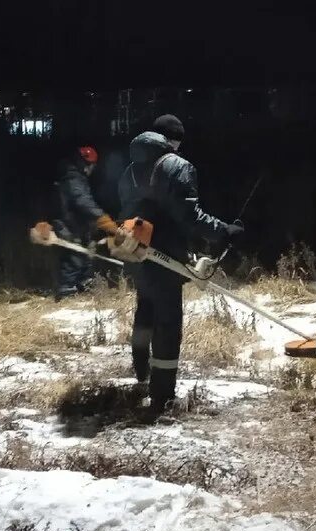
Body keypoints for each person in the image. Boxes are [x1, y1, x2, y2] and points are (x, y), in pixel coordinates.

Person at [117, 115, 244, 417]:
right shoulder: (178, 167)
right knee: (168, 323)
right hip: (168, 257)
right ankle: (162, 397)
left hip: (136, 252)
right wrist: (224, 231)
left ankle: (140, 373)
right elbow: (190, 215)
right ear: (173, 140)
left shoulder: (129, 171)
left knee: (144, 311)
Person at [52, 146, 118, 300]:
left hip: (77, 224)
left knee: (86, 254)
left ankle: (85, 286)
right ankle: (67, 292)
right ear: (83, 163)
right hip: (68, 224)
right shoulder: (73, 178)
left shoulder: (75, 177)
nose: (91, 169)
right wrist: (102, 219)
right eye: (90, 165)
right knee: (74, 257)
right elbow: (82, 201)